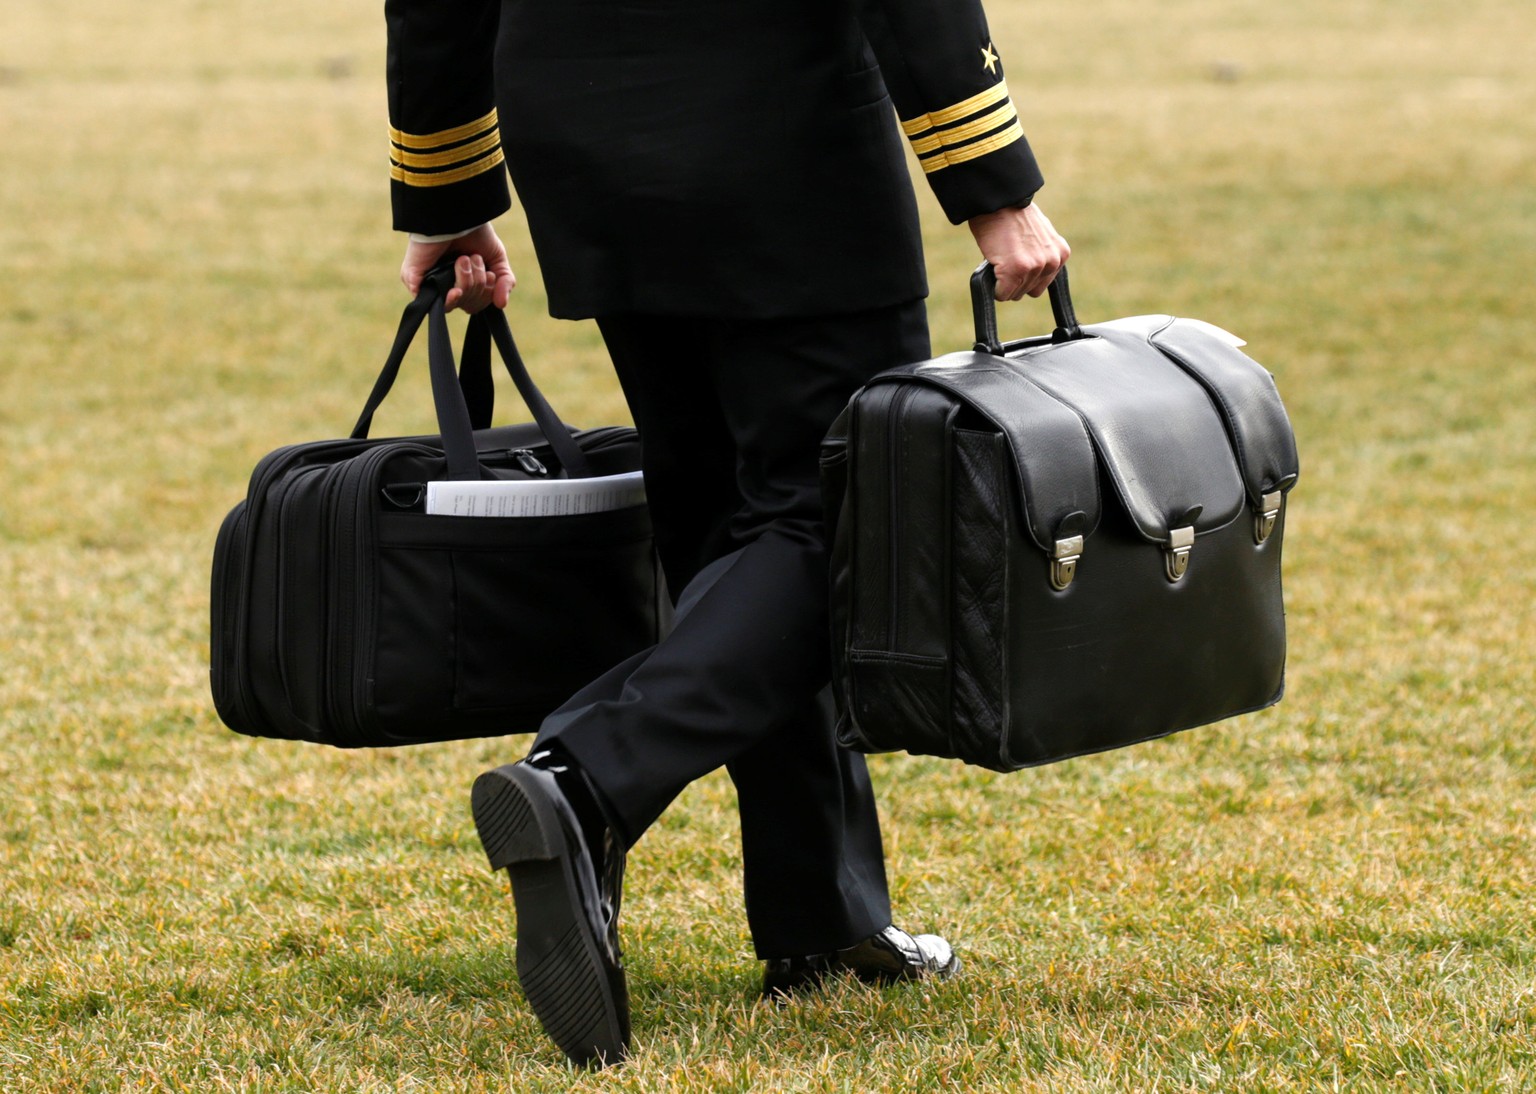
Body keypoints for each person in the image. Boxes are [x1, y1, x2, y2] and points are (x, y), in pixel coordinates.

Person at [384, 0, 1069, 1068]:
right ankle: (588, 778)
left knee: (724, 530)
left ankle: (822, 912)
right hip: (784, 138)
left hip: (586, 140)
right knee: (840, 526)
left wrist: (449, 187)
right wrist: (997, 188)